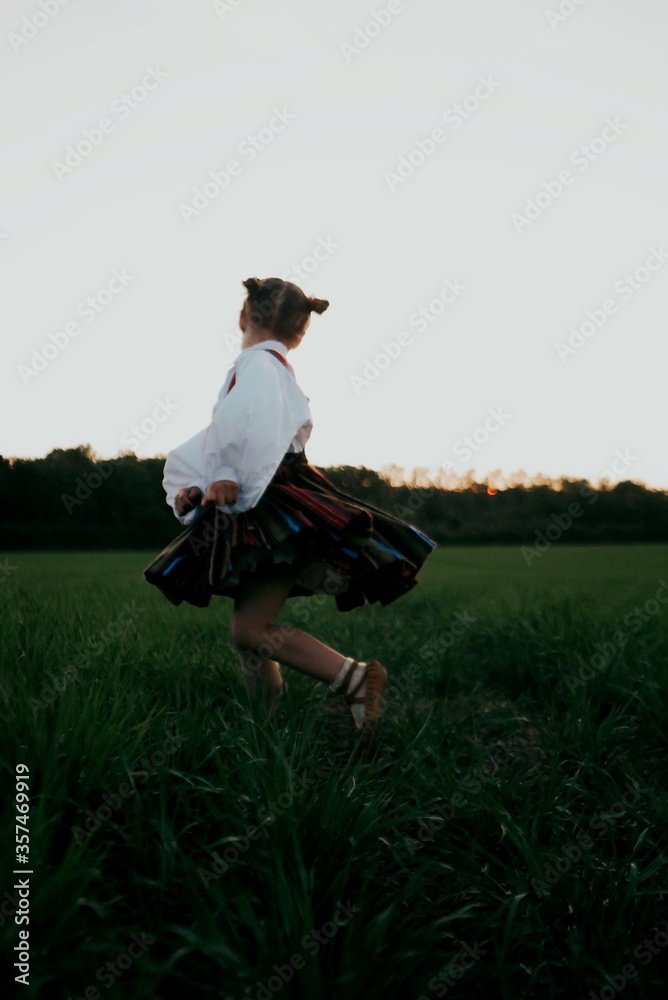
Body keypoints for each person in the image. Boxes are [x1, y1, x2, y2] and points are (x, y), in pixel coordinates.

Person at [143, 277, 436, 740]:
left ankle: (356, 679)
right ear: (301, 333)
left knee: (249, 631)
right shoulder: (271, 367)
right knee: (248, 628)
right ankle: (266, 727)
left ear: (244, 316)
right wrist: (196, 484)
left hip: (273, 498)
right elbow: (226, 434)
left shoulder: (257, 365)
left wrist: (221, 476)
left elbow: (249, 428)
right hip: (268, 493)